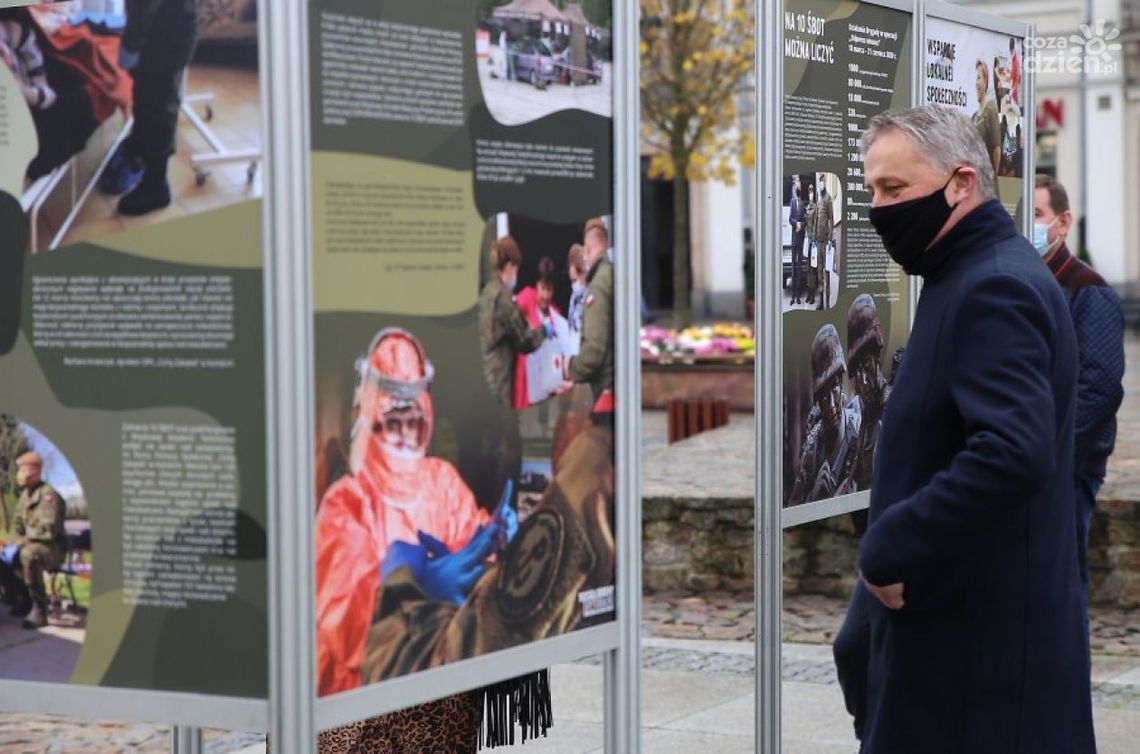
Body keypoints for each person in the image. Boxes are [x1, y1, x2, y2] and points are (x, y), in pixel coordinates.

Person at [844, 105, 1092, 753]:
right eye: (871, 190)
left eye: (894, 189)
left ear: (961, 184)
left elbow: (1012, 451)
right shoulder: (964, 272)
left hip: (977, 657)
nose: (878, 208)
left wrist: (891, 544)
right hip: (957, 635)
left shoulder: (993, 286)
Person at [312, 328, 496, 751]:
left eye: (414, 421)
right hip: (360, 715)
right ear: (372, 418)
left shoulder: (443, 483)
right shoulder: (347, 504)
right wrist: (414, 592)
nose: (405, 433)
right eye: (392, 422)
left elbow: (474, 548)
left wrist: (497, 548)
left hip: (439, 700)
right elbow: (341, 627)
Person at [1034, 174, 1125, 617]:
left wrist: (1056, 456)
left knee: (1062, 585)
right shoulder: (1025, 282)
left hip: (1065, 468)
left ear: (1063, 222)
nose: (1028, 227)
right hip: (1031, 463)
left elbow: (1100, 388)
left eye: (1037, 215)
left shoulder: (1088, 289)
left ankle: (1069, 658)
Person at [100, 0, 201, 216]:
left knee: (158, 104)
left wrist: (131, 44)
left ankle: (156, 186)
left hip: (167, 31)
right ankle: (141, 149)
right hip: (168, 24)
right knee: (147, 96)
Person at [478, 235, 549, 498]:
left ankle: (487, 501)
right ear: (508, 266)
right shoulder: (503, 297)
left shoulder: (486, 293)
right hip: (500, 382)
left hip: (484, 379)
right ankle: (505, 505)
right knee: (510, 449)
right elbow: (524, 339)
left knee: (489, 446)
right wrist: (544, 330)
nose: (516, 274)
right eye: (516, 268)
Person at [789, 324, 860, 505]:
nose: (830, 403)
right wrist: (815, 494)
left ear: (841, 382)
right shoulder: (813, 446)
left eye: (834, 386)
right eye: (823, 395)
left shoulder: (858, 428)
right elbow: (795, 505)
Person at [0, 451, 66, 630]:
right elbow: (17, 525)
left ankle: (40, 609)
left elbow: (48, 530)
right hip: (31, 543)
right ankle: (24, 599)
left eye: (22, 469)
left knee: (29, 555)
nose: (19, 474)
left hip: (52, 548)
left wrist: (20, 542)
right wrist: (11, 543)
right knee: (3, 557)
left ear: (35, 471)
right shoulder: (25, 496)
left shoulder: (48, 496)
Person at [565, 218, 614, 430]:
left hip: (605, 392)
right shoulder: (611, 274)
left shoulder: (598, 285)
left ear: (587, 248)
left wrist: (571, 367)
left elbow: (594, 350)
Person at [839, 294, 890, 495]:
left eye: (866, 365)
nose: (864, 381)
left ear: (877, 358)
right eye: (857, 371)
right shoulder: (862, 416)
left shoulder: (891, 410)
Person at [513, 256, 566, 409]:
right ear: (536, 286)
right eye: (543, 288)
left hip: (545, 383)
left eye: (549, 289)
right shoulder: (527, 297)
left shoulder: (556, 313)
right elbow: (509, 312)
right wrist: (526, 324)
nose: (545, 295)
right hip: (525, 380)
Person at [973, 59, 1002, 176]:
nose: (976, 83)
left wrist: (993, 178)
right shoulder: (974, 116)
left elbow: (996, 149)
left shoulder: (990, 109)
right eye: (975, 79)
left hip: (986, 178)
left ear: (985, 81)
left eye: (979, 78)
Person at [813, 182, 834, 310]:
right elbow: (816, 221)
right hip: (818, 243)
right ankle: (820, 302)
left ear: (825, 185)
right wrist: (814, 238)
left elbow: (831, 219)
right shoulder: (819, 201)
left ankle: (827, 303)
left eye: (822, 183)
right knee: (819, 273)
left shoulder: (828, 199)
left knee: (827, 273)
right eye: (819, 183)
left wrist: (830, 238)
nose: (820, 185)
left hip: (826, 243)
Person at [789, 183, 807, 305]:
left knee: (799, 267)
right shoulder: (792, 202)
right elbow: (790, 218)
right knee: (793, 268)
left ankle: (798, 296)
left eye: (799, 187)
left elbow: (805, 220)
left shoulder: (803, 204)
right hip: (794, 240)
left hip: (800, 239)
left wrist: (801, 225)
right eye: (797, 187)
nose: (798, 189)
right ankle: (793, 296)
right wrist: (796, 224)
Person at [804, 183, 819, 305]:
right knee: (807, 268)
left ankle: (813, 295)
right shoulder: (807, 208)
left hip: (813, 242)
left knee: (813, 269)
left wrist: (813, 240)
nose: (810, 194)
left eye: (812, 191)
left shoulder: (815, 208)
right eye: (809, 191)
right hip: (806, 241)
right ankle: (808, 294)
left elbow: (815, 225)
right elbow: (805, 223)